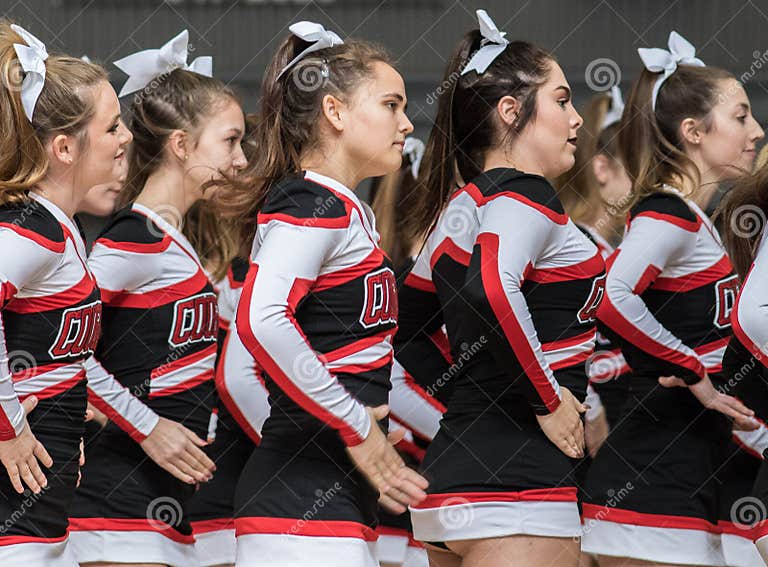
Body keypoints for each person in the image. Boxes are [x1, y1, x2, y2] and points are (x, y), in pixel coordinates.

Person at [213, 20, 428, 567]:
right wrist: (356, 426)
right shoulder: (312, 205)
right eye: (390, 104)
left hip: (326, 499)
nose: (406, 123)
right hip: (298, 504)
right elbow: (260, 321)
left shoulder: (338, 207)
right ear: (335, 113)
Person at [396, 10, 602, 567]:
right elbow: (492, 286)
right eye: (562, 101)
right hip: (519, 488)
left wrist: (474, 394)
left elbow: (403, 329)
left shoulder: (461, 208)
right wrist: (547, 399)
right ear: (511, 112)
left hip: (452, 479)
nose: (577, 118)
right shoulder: (528, 196)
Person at [581, 31, 762, 567]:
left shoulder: (700, 222)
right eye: (741, 117)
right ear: (693, 132)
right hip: (651, 483)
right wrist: (691, 371)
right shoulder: (667, 211)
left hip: (692, 480)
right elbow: (612, 298)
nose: (755, 132)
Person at [69, 30, 245, 567]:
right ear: (182, 145)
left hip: (165, 501)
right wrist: (148, 428)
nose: (241, 160)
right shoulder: (132, 240)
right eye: (231, 141)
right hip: (116, 501)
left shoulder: (172, 240)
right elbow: (57, 343)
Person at [0, 21, 131, 565]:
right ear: (64, 148)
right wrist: (8, 427)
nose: (126, 138)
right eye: (112, 126)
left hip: (42, 512)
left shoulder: (57, 227)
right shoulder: (31, 229)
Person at [554, 85, 632, 455]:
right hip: (583, 430)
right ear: (602, 168)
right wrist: (595, 409)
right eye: (639, 169)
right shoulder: (574, 245)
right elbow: (548, 341)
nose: (647, 182)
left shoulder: (612, 248)